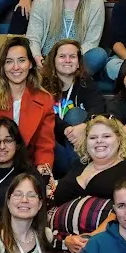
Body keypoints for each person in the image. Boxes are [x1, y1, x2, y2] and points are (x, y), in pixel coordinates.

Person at [0, 37, 57, 172]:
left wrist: (41, 174)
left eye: (21, 60)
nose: (16, 67)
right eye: (9, 62)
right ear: (2, 66)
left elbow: (44, 147)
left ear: (30, 64)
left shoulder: (44, 99)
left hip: (26, 169)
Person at [25, 0, 104, 76]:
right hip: (47, 62)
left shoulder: (95, 3)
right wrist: (36, 57)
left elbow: (91, 42)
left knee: (98, 55)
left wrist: (70, 61)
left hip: (76, 62)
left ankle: (68, 84)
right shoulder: (43, 0)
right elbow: (33, 38)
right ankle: (59, 82)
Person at [39, 39, 102, 176]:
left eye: (72, 57)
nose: (67, 60)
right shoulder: (42, 86)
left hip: (79, 145)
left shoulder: (86, 84)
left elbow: (98, 108)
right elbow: (44, 114)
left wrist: (84, 126)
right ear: (53, 61)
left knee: (76, 115)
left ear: (79, 62)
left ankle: (73, 175)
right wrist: (66, 129)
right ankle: (76, 176)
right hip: (52, 146)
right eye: (62, 56)